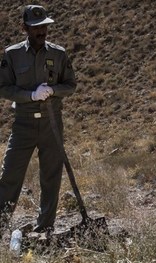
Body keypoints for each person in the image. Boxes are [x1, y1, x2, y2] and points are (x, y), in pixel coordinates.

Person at [0, 5, 76, 236]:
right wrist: (30, 95)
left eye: (44, 26)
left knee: (51, 176)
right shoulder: (12, 54)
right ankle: (1, 226)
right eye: (35, 28)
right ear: (24, 28)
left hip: (51, 124)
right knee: (10, 175)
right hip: (23, 124)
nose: (41, 31)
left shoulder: (58, 53)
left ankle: (45, 229)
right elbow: (3, 87)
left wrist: (53, 90)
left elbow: (70, 85)